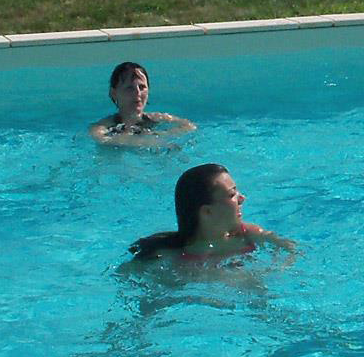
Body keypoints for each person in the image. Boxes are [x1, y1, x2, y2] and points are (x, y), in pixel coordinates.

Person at [127, 163, 294, 264]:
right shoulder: (168, 256)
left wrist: (274, 269)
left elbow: (292, 250)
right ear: (207, 211)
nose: (242, 198)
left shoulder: (249, 235)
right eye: (232, 195)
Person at [88, 62, 196, 147]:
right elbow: (100, 138)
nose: (138, 93)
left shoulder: (157, 118)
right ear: (114, 93)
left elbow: (189, 126)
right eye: (130, 88)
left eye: (142, 87)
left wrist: (162, 135)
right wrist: (149, 141)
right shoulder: (105, 125)